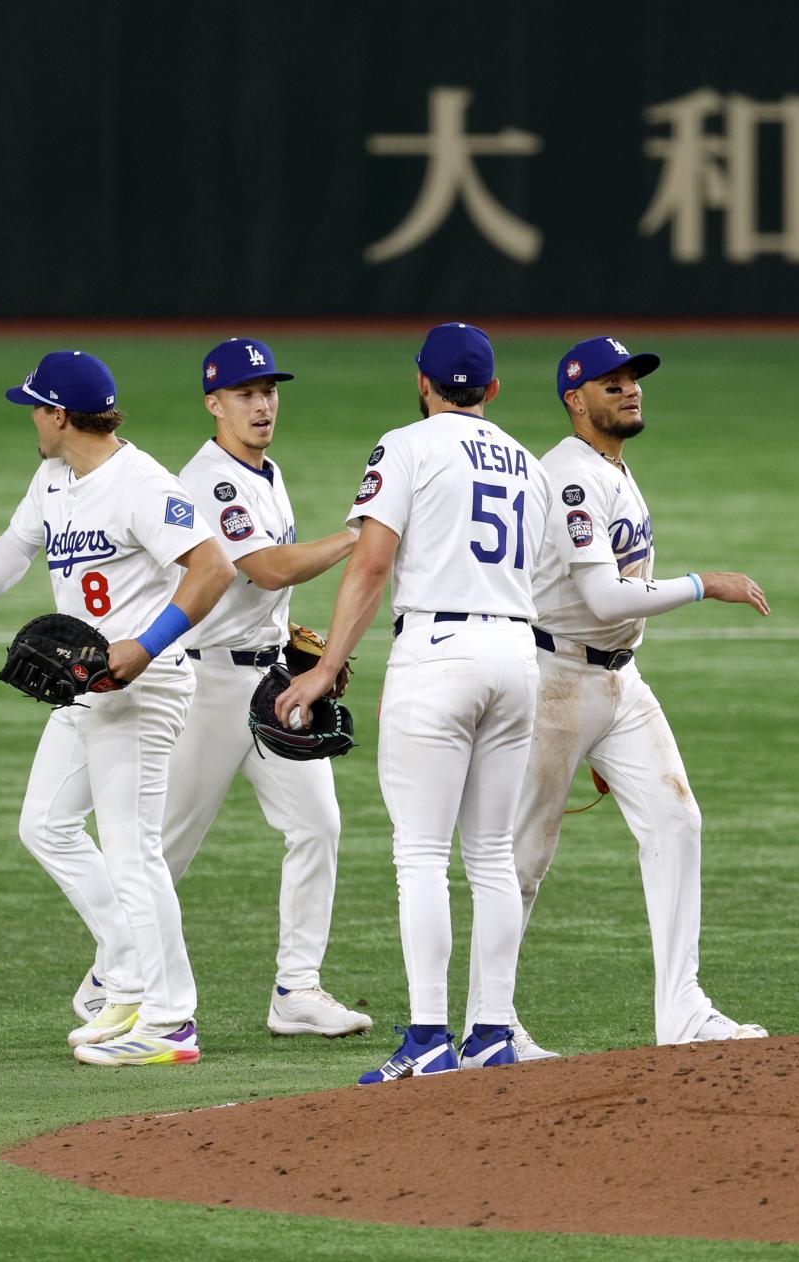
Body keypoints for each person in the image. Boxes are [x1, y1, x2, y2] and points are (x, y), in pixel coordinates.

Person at [464, 337, 773, 1059]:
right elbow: (602, 594)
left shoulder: (613, 470)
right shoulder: (571, 477)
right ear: (576, 399)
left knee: (675, 818)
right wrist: (705, 583)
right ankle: (490, 1026)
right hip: (553, 683)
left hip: (614, 682)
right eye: (612, 383)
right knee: (523, 857)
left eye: (633, 378)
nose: (630, 389)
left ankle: (684, 1011)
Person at [0, 350, 234, 1066]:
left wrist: (148, 644)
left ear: (60, 414)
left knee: (134, 852)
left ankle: (171, 1021)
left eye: (34, 407)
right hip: (84, 686)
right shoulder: (54, 477)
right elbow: (18, 542)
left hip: (141, 686)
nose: (30, 419)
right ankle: (129, 978)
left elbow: (212, 567)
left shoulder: (141, 484)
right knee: (46, 824)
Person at [277, 322, 547, 1082]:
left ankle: (430, 1037)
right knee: (491, 854)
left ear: (423, 384)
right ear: (492, 390)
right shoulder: (528, 462)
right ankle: (491, 1030)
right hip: (516, 655)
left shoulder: (408, 443)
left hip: (439, 653)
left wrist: (328, 665)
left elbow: (371, 563)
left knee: (422, 856)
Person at [91, 337, 369, 1038]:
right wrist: (358, 537)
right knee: (165, 848)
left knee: (318, 827)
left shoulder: (265, 474)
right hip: (207, 685)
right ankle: (109, 984)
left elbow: (263, 591)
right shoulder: (209, 479)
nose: (262, 403)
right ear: (214, 403)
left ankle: (296, 990)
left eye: (269, 390)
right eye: (245, 393)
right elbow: (268, 567)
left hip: (271, 679)